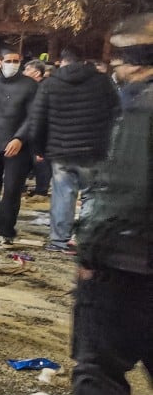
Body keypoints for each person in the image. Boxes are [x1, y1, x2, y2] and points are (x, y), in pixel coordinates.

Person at [70, 13, 153, 395]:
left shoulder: (141, 108)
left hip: (126, 261)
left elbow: (125, 191)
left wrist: (90, 251)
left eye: (119, 60)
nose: (114, 70)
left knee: (99, 366)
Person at [28, 46, 120, 251]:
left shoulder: (51, 83)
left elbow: (38, 120)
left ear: (62, 61)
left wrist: (39, 149)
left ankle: (59, 241)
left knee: (63, 195)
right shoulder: (102, 81)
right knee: (91, 196)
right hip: (94, 149)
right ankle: (85, 239)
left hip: (60, 150)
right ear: (84, 60)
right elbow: (116, 113)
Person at [0, 49, 38, 244]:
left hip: (16, 144)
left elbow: (33, 116)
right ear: (0, 62)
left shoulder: (29, 86)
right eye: (9, 60)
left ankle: (5, 228)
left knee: (13, 188)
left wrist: (20, 138)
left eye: (16, 60)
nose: (12, 64)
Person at [22, 59, 51, 196]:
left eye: (27, 70)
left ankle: (41, 191)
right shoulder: (30, 87)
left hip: (41, 132)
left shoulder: (43, 88)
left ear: (37, 73)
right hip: (30, 130)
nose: (24, 72)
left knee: (40, 162)